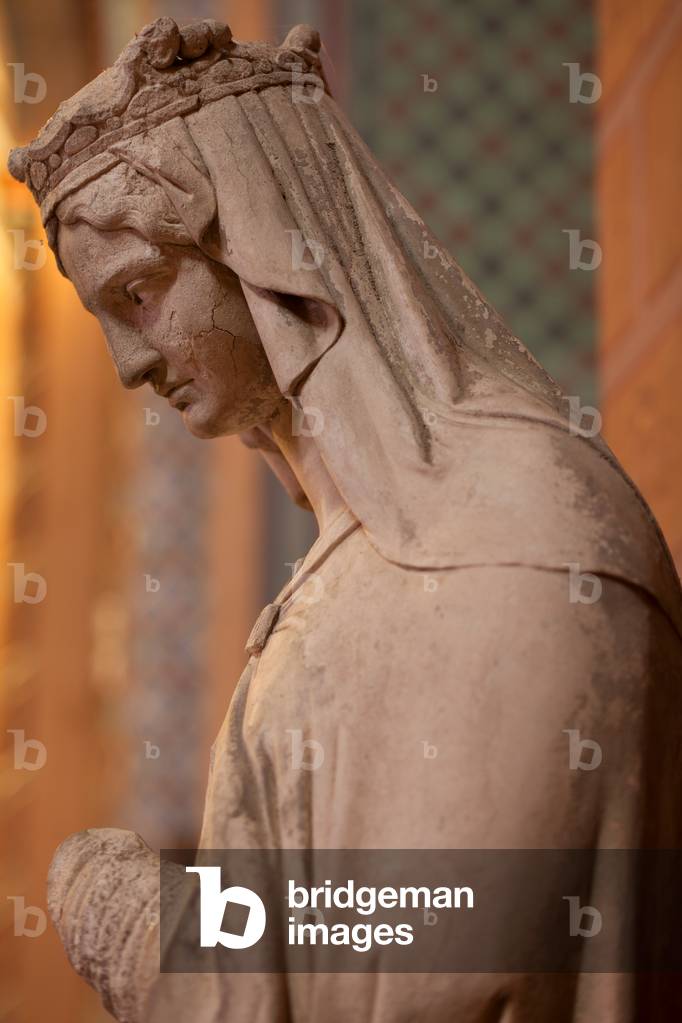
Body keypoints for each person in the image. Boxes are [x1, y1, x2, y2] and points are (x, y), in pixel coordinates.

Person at [10, 17, 682, 1022]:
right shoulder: (357, 563)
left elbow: (446, 953)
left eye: (140, 294)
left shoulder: (518, 541)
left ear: (258, 244)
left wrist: (151, 926)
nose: (130, 365)